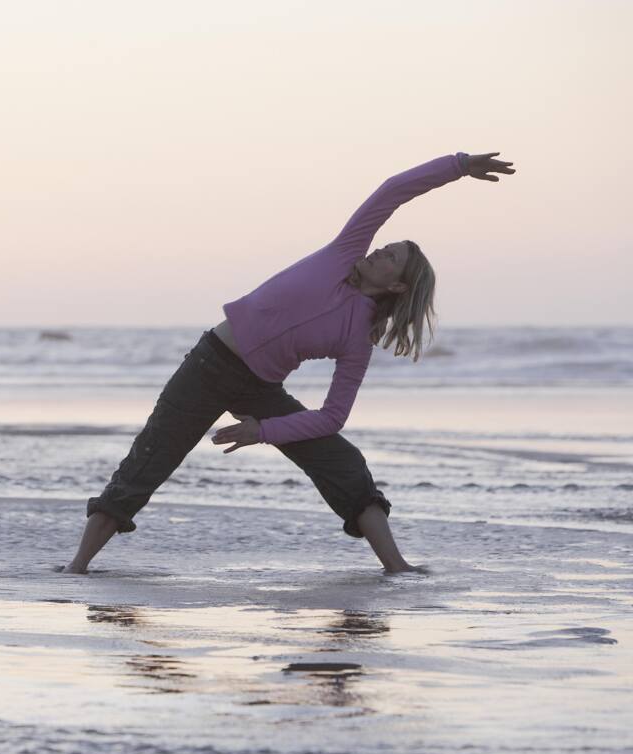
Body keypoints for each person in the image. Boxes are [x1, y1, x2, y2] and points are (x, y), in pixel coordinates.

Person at [59, 151, 516, 575]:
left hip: (259, 387)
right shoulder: (343, 253)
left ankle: (398, 568)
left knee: (344, 463)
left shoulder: (357, 339)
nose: (379, 251)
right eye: (386, 246)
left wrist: (264, 430)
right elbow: (393, 191)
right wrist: (457, 165)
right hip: (209, 365)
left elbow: (334, 416)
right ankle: (75, 569)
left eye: (390, 256)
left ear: (397, 287)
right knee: (149, 460)